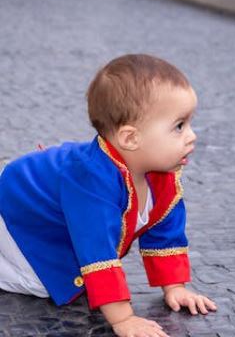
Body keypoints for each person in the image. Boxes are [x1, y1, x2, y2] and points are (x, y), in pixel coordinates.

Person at [0, 54, 217, 337]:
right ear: (130, 138)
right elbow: (96, 249)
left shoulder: (163, 177)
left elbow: (166, 232)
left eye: (189, 123)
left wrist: (175, 286)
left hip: (52, 213)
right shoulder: (91, 182)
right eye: (179, 126)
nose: (192, 136)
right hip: (17, 213)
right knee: (38, 282)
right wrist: (123, 318)